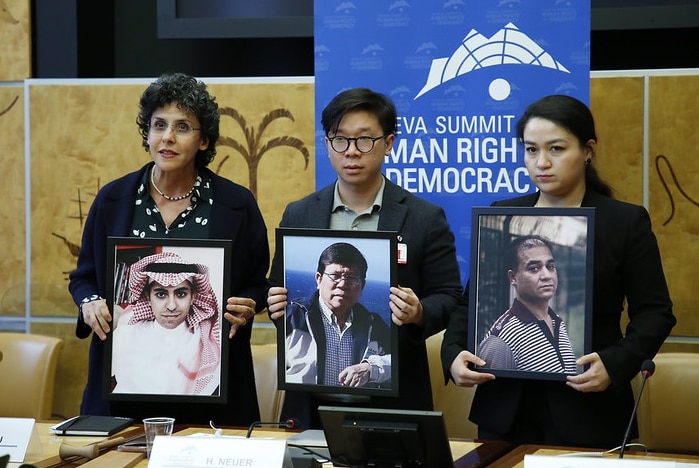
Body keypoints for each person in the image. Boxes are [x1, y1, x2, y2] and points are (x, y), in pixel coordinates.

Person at [442, 94, 676, 448]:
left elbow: (656, 313)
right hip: (505, 410)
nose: (542, 163)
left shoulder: (624, 221)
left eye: (556, 149)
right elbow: (467, 304)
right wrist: (453, 354)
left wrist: (614, 365)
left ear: (587, 150)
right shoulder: (502, 212)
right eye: (531, 150)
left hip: (589, 409)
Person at [69, 72, 270, 426]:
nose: (167, 138)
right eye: (158, 125)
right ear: (146, 133)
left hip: (209, 390)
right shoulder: (114, 200)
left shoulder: (236, 204)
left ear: (204, 140)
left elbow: (257, 283)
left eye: (182, 127)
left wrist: (249, 304)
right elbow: (84, 278)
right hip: (126, 384)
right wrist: (89, 303)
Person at [267, 87, 464, 429]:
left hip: (397, 399)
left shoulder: (424, 218)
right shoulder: (299, 214)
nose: (351, 152)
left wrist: (419, 313)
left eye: (364, 140)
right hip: (310, 403)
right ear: (327, 143)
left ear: (388, 144)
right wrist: (274, 303)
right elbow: (276, 289)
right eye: (340, 140)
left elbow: (449, 296)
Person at [111, 251, 222, 396]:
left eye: (181, 294)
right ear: (148, 298)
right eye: (161, 294)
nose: (171, 306)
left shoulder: (206, 342)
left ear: (193, 297)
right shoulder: (125, 335)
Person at [285, 242, 391, 387]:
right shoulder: (293, 318)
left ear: (362, 285)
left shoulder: (373, 324)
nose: (343, 284)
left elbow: (399, 361)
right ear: (319, 279)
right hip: (306, 407)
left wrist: (371, 368)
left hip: (357, 407)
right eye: (335, 275)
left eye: (352, 278)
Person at [478, 235, 577, 373]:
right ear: (513, 278)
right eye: (534, 268)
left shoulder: (557, 321)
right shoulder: (501, 340)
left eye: (550, 266)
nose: (546, 275)